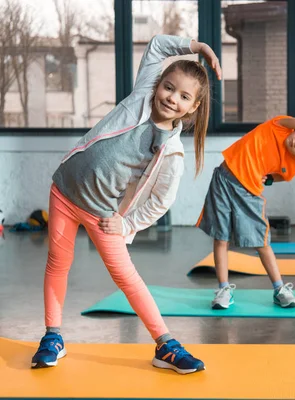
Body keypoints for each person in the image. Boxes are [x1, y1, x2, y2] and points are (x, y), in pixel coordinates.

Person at [31, 34, 222, 375]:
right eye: (168, 87)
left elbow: (161, 201)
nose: (171, 98)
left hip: (102, 213)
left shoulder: (171, 152)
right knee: (58, 263)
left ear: (193, 107)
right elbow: (157, 47)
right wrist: (198, 47)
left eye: (183, 96)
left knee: (128, 278)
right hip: (63, 190)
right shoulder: (140, 99)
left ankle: (166, 345)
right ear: (157, 84)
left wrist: (128, 223)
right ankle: (52, 337)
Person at [196, 116, 295, 309]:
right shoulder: (279, 126)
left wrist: (268, 179)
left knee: (262, 242)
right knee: (221, 238)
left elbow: (279, 176)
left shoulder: (293, 166)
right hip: (223, 179)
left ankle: (279, 289)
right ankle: (223, 289)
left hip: (249, 193)